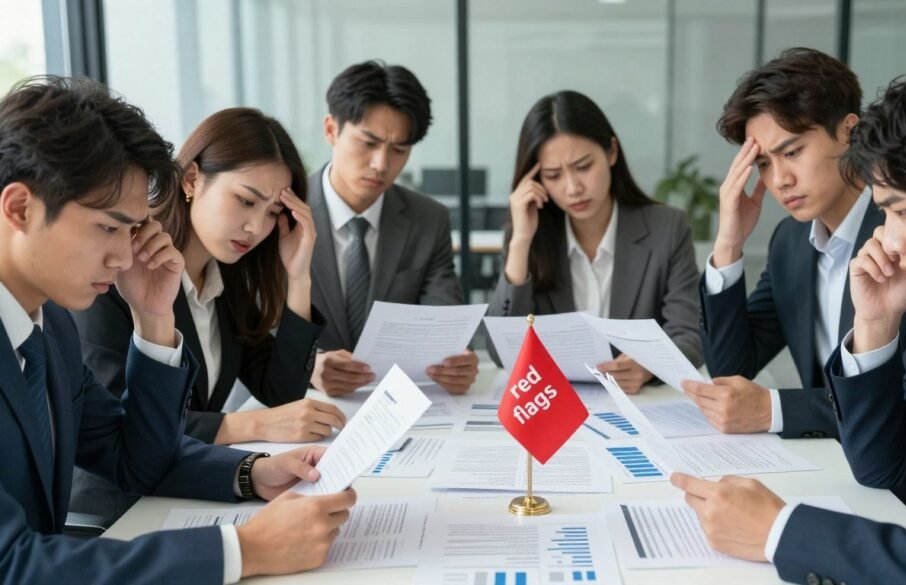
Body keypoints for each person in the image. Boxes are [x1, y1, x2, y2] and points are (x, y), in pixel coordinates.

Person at [673, 56, 906, 584]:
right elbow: (886, 465)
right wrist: (876, 325)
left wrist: (781, 531)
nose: (892, 240)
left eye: (902, 211)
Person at [0, 76, 355, 583]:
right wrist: (241, 550)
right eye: (108, 227)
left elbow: (131, 456)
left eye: (131, 230)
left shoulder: (47, 325)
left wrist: (153, 319)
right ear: (20, 208)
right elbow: (12, 565)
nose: (125, 256)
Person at [70, 107, 345, 524]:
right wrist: (243, 425)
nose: (255, 227)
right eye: (246, 200)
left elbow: (282, 392)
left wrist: (299, 277)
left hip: (186, 496)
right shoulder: (117, 275)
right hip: (112, 512)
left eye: (273, 212)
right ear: (193, 179)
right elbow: (117, 421)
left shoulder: (224, 282)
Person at [687, 47, 906, 439]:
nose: (780, 179)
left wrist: (775, 410)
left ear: (849, 132)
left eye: (792, 152)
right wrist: (728, 242)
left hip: (904, 485)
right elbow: (731, 369)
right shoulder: (790, 241)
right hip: (827, 464)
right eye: (764, 164)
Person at [486, 90, 703, 393]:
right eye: (553, 175)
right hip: (558, 407)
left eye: (584, 166)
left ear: (611, 152)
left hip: (639, 406)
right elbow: (501, 353)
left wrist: (646, 367)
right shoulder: (528, 235)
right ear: (536, 180)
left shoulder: (667, 228)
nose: (573, 188)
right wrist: (521, 241)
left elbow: (689, 335)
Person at [309, 60, 478, 396]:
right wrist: (307, 366)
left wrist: (456, 361)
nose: (381, 164)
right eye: (368, 143)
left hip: (400, 404)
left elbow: (445, 322)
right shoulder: (283, 213)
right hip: (303, 405)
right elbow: (255, 330)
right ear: (331, 130)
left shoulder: (427, 220)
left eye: (399, 150)